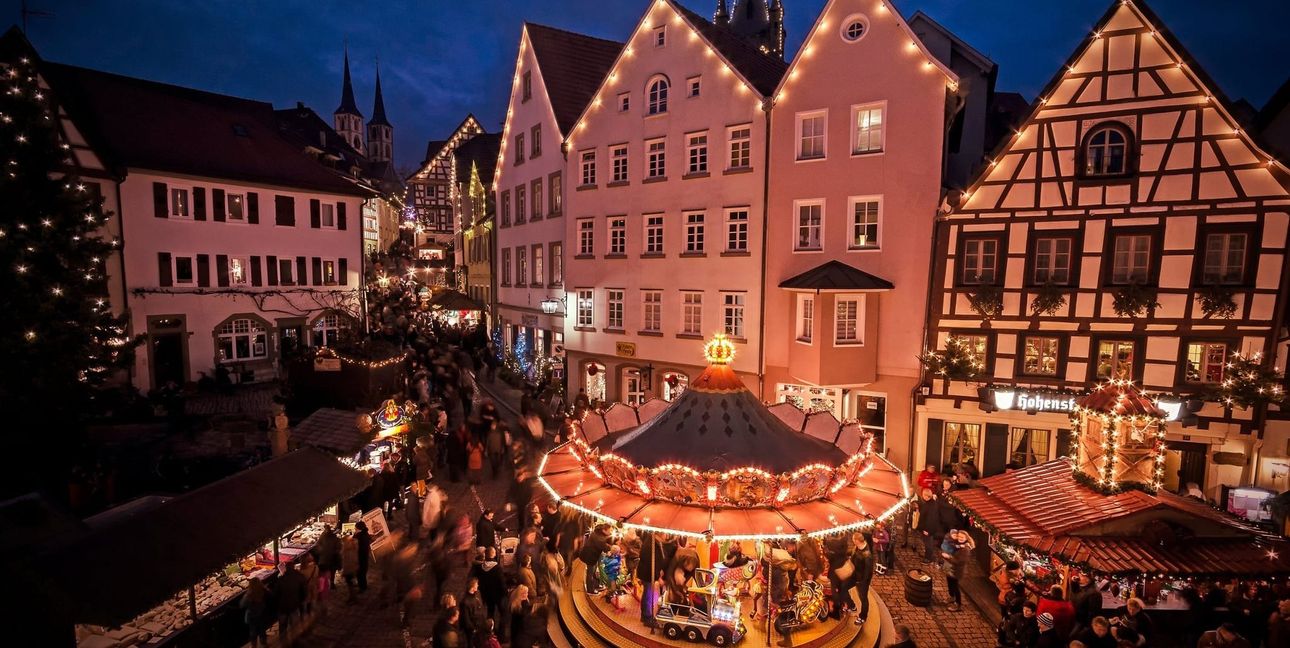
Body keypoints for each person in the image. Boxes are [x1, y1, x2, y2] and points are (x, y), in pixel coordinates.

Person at [274, 561, 308, 646]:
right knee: (294, 625)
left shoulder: (281, 579)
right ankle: (295, 642)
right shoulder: (300, 577)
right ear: (294, 567)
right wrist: (301, 601)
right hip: (294, 605)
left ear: (286, 568)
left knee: (283, 627)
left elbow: (276, 594)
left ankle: (283, 643)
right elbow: (304, 592)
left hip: (282, 607)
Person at [941, 529, 971, 612]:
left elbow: (959, 562)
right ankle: (952, 597)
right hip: (950, 569)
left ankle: (958, 604)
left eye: (962, 537)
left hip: (957, 570)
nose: (960, 538)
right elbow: (948, 540)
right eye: (959, 536)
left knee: (955, 587)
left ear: (966, 538)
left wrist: (948, 557)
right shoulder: (958, 544)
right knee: (950, 584)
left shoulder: (965, 549)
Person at [915, 488, 948, 563]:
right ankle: (927, 556)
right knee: (928, 543)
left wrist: (927, 530)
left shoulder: (931, 506)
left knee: (928, 544)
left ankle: (928, 558)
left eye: (923, 495)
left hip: (927, 530)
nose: (922, 496)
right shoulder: (931, 503)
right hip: (927, 528)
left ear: (926, 496)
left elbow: (931, 520)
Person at [851, 533, 875, 625]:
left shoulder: (867, 555)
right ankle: (851, 605)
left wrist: (863, 582)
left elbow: (868, 571)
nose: (853, 541)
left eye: (853, 540)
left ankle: (863, 617)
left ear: (857, 541)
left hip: (861, 580)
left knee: (863, 598)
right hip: (856, 576)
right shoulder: (857, 547)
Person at [240, 577, 270, 647]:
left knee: (253, 632)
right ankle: (264, 644)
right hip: (262, 613)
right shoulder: (263, 590)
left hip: (252, 616)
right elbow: (270, 594)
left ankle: (254, 645)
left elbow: (242, 605)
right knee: (262, 629)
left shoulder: (248, 595)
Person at [314, 524, 342, 596]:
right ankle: (331, 584)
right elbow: (338, 548)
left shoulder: (323, 536)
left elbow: (318, 545)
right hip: (332, 558)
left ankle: (322, 587)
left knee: (323, 573)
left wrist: (321, 552)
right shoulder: (334, 537)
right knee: (332, 572)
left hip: (324, 558)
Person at [461, 577, 489, 648]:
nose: (478, 585)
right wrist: (473, 629)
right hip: (473, 629)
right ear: (472, 586)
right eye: (476, 584)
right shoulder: (465, 602)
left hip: (481, 625)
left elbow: (480, 607)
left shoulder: (478, 593)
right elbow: (466, 619)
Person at [354, 520, 373, 594]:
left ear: (359, 528)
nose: (355, 529)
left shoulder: (359, 536)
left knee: (360, 573)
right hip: (365, 556)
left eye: (356, 528)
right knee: (363, 572)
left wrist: (355, 535)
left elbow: (354, 543)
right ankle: (363, 585)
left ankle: (362, 587)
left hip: (360, 556)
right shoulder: (365, 534)